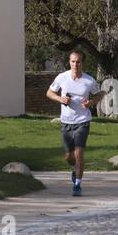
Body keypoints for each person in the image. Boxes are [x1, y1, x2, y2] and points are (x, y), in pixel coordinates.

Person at [47, 50, 105, 197]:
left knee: (79, 154)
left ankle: (77, 184)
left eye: (78, 61)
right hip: (66, 121)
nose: (75, 64)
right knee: (68, 156)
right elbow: (49, 93)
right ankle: (74, 169)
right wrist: (61, 99)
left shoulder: (89, 81)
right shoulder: (62, 77)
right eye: (73, 61)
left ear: (82, 63)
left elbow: (100, 94)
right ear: (69, 62)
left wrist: (91, 102)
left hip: (82, 121)